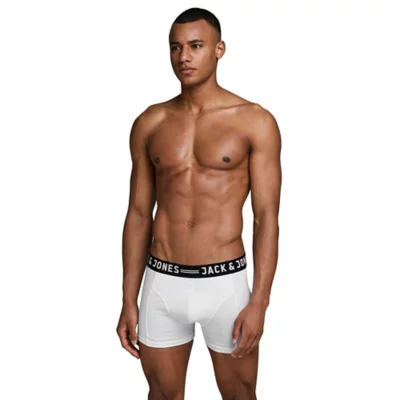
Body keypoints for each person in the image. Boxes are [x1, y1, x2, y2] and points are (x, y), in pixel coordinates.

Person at [116, 7, 282, 400]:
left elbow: (266, 217)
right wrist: (128, 299)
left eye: (195, 46)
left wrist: (260, 302)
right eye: (175, 47)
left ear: (219, 49)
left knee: (240, 396)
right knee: (161, 396)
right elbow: (138, 214)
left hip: (225, 285)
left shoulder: (254, 121)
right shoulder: (150, 122)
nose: (184, 57)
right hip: (162, 283)